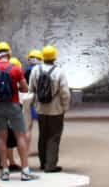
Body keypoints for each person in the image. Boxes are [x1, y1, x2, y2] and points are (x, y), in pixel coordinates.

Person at [0, 42, 37, 182]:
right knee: (20, 135)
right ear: (9, 53)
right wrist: (16, 89)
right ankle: (25, 170)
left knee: (2, 137)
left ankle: (5, 170)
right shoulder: (15, 69)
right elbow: (25, 88)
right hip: (14, 105)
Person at [29, 45, 71, 173]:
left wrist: (33, 104)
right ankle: (50, 165)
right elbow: (65, 92)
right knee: (54, 136)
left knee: (43, 135)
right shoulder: (59, 71)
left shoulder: (36, 70)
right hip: (56, 109)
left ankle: (43, 163)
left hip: (41, 108)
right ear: (55, 57)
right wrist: (65, 106)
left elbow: (31, 89)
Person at [21, 50, 43, 148]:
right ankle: (44, 149)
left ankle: (27, 149)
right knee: (44, 127)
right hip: (41, 101)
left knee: (28, 128)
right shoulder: (43, 71)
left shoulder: (26, 72)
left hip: (28, 99)